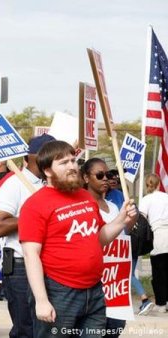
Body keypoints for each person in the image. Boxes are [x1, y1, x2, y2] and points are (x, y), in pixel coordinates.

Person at [19, 141, 137, 338]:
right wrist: (41, 300)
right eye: (64, 163)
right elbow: (31, 254)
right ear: (48, 171)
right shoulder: (35, 205)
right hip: (59, 292)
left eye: (73, 160)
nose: (72, 166)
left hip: (95, 290)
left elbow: (99, 238)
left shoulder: (85, 196)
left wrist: (122, 219)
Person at [0, 133, 54, 338]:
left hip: (49, 264)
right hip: (20, 265)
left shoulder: (52, 185)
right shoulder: (14, 184)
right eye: (43, 155)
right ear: (28, 159)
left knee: (47, 327)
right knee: (25, 328)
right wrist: (34, 215)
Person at [81, 158, 136, 337]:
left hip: (115, 284)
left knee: (114, 329)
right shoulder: (81, 207)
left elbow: (123, 233)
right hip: (93, 281)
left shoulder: (114, 206)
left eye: (109, 175)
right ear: (86, 178)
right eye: (99, 175)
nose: (106, 179)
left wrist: (131, 219)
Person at [139, 173, 168, 313]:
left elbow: (142, 220)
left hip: (158, 236)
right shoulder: (166, 197)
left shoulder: (146, 200)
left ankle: (161, 303)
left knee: (159, 273)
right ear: (158, 184)